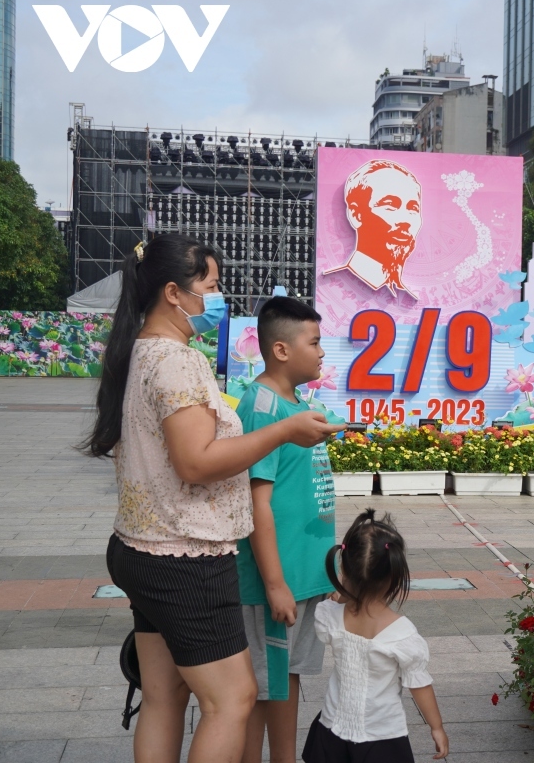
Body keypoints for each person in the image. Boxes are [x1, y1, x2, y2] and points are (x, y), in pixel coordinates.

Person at [83, 233, 344, 763]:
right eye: (213, 286)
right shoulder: (178, 362)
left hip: (142, 548)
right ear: (174, 293)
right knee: (233, 699)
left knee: (164, 696)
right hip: (185, 556)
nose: (219, 299)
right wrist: (283, 431)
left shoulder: (144, 351)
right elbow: (196, 463)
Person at [237, 297, 341, 763]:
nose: (322, 351)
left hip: (301, 576)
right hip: (274, 582)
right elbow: (257, 502)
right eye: (314, 342)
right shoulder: (262, 407)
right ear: (281, 350)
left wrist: (330, 570)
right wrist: (276, 583)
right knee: (267, 687)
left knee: (282, 679)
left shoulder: (298, 405)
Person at [304, 511, 449, 762]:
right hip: (381, 735)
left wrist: (342, 595)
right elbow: (419, 685)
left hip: (331, 727)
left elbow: (335, 602)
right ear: (394, 575)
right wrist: (436, 727)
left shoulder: (329, 616)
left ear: (345, 570)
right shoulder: (402, 635)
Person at [324, 159, 423, 298]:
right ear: (356, 214)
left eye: (413, 208)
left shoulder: (409, 301)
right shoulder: (330, 287)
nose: (405, 220)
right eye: (390, 205)